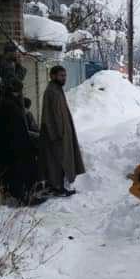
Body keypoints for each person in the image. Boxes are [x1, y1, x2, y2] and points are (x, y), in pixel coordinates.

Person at [39, 65, 85, 196]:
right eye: (61, 75)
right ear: (52, 76)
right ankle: (57, 187)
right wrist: (58, 134)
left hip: (61, 133)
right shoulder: (52, 91)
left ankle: (58, 185)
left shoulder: (57, 89)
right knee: (57, 161)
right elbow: (51, 115)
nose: (64, 78)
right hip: (56, 134)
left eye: (65, 75)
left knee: (58, 160)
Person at [0, 81, 38, 203]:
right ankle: (22, 196)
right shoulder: (9, 105)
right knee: (18, 172)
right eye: (18, 90)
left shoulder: (10, 103)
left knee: (19, 171)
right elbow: (14, 127)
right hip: (14, 145)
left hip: (14, 144)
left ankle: (23, 195)